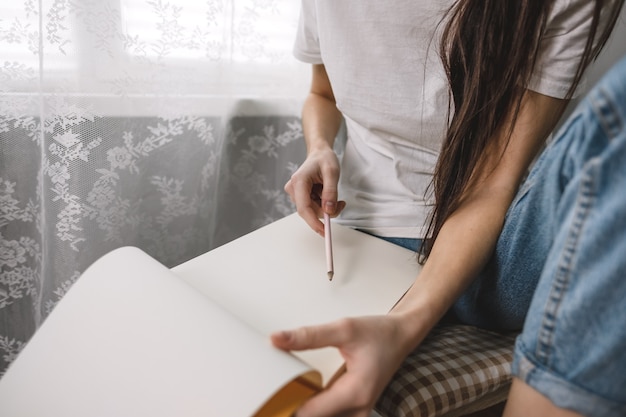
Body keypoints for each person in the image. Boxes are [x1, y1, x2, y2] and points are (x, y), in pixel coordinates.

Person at [271, 1, 626, 416]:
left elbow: (493, 181)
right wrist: (319, 148)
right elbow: (321, 93)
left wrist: (402, 326)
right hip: (363, 239)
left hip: (495, 258)